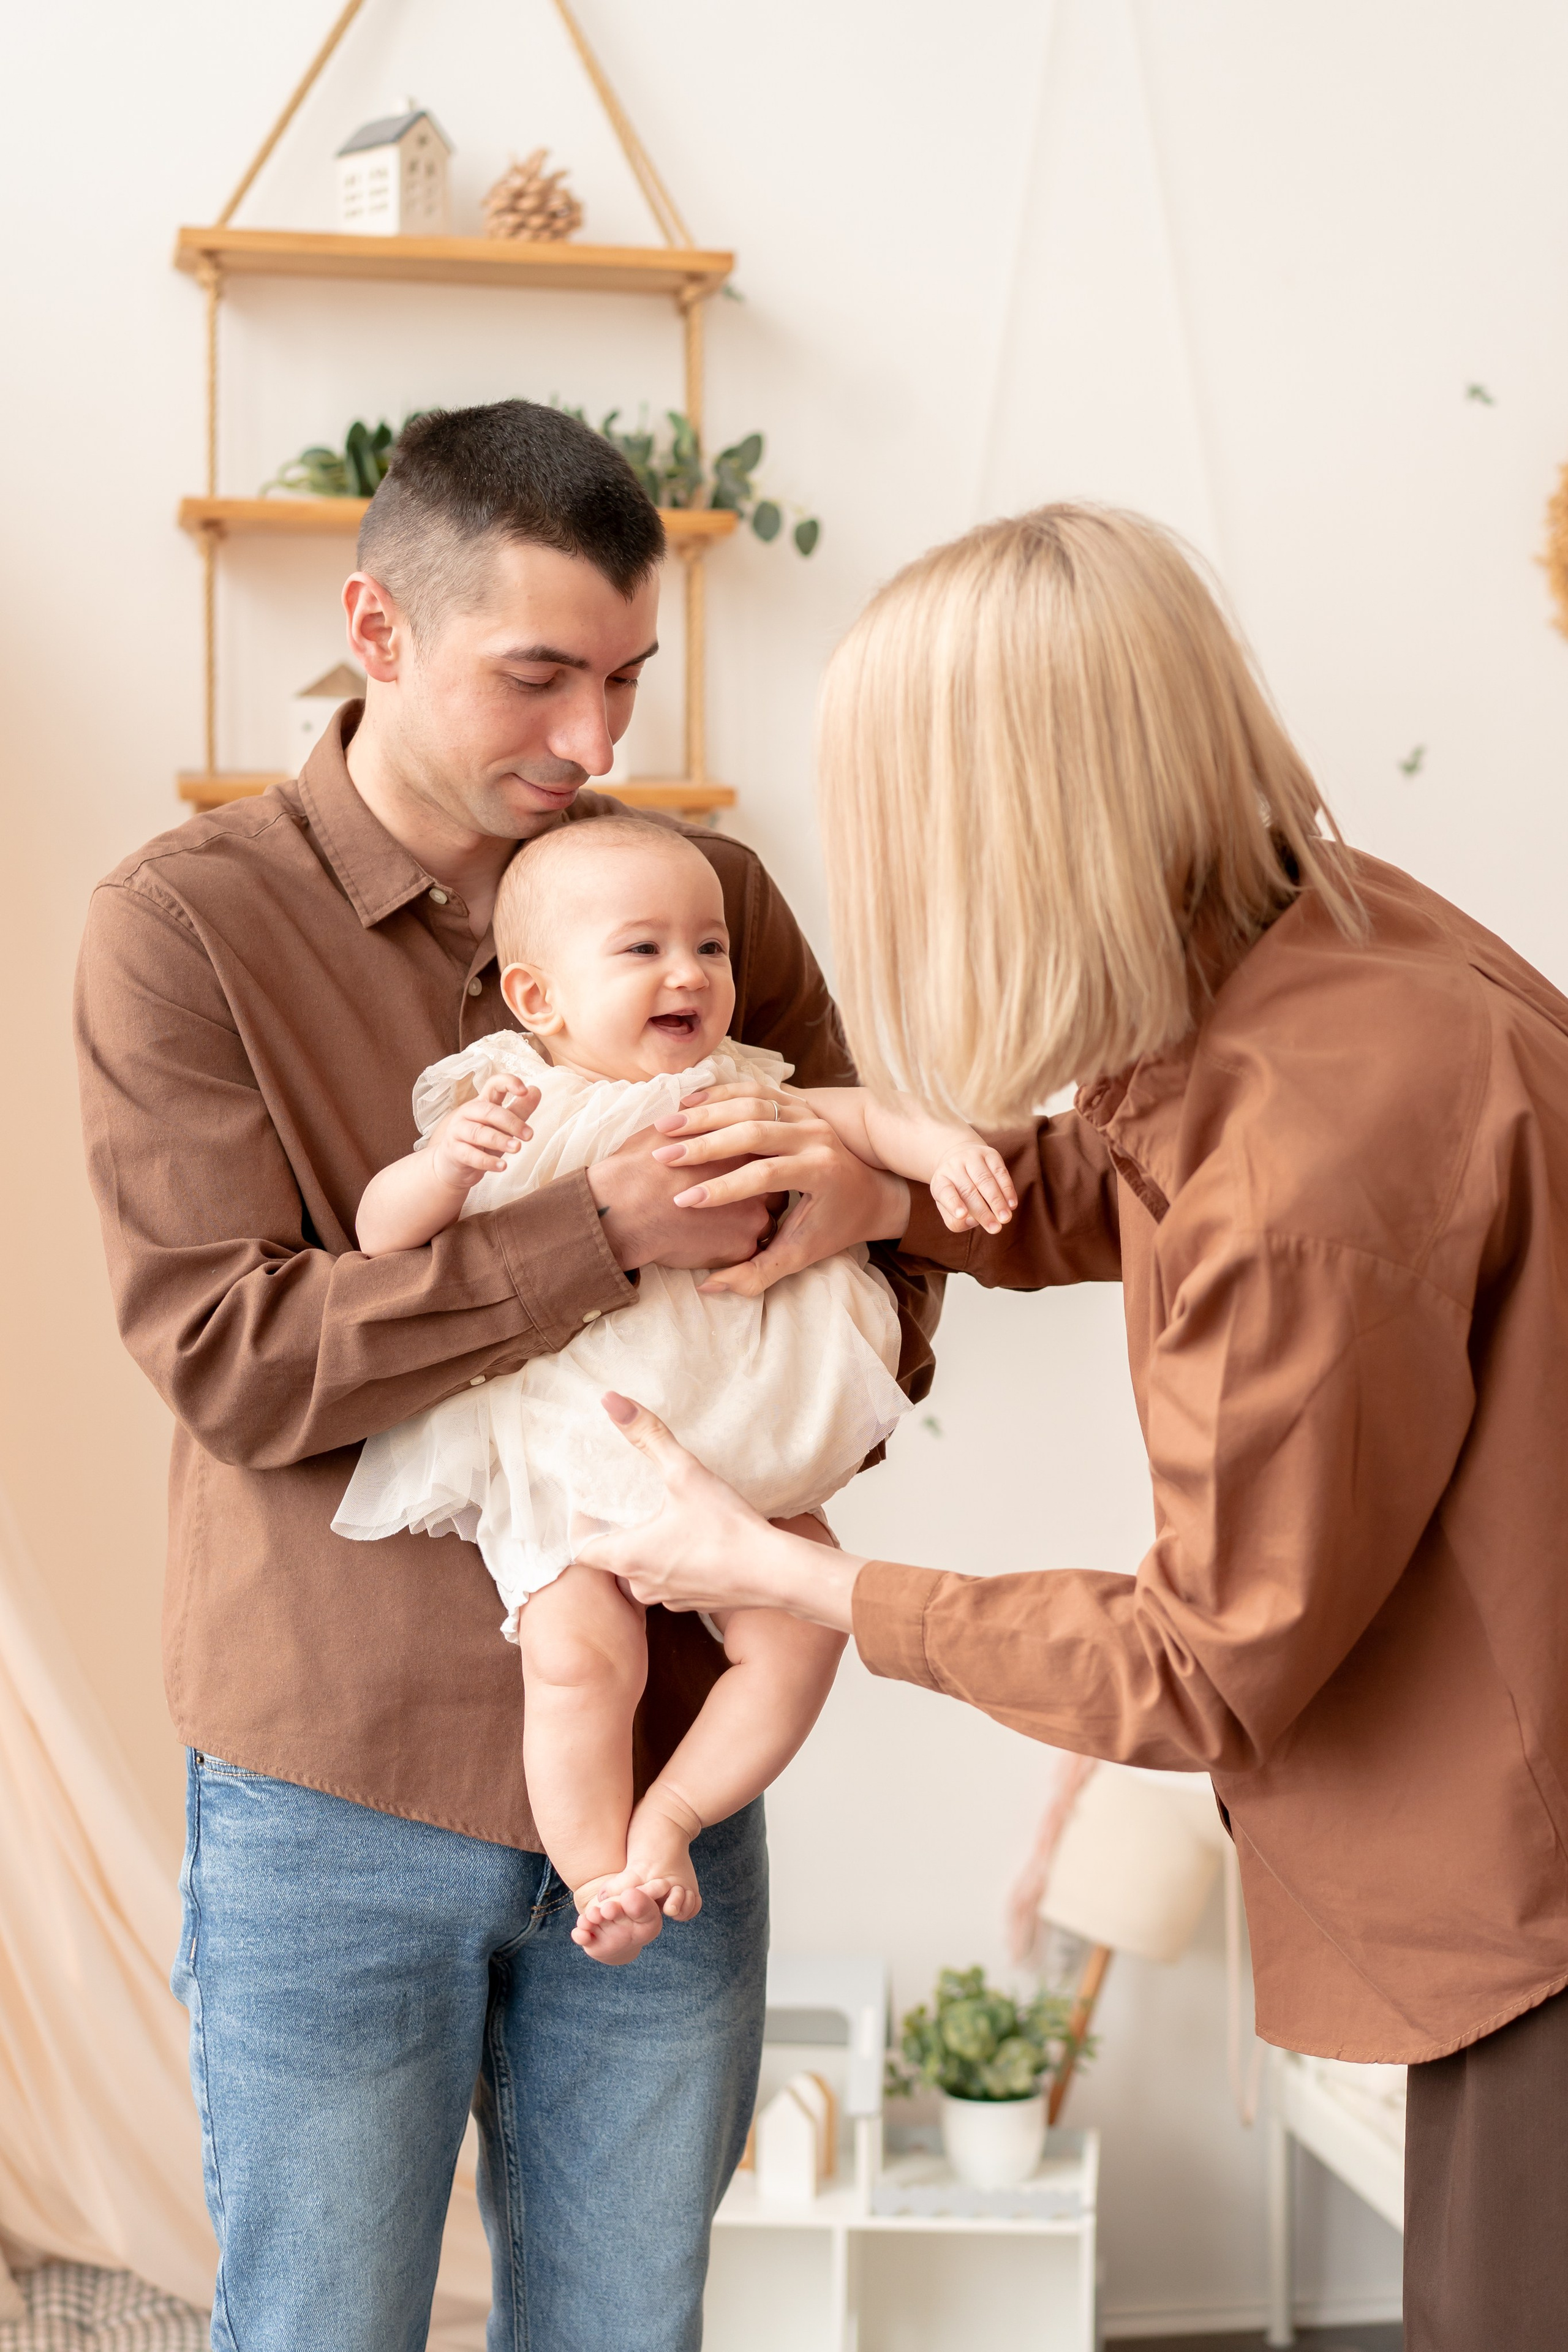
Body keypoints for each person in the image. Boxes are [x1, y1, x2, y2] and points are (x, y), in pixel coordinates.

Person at [577, 505, 1568, 2352]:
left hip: (1535, 1895)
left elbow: (1204, 1664)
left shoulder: (1299, 1170)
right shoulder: (1339, 937)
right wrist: (894, 1195)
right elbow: (1165, 1166)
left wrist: (788, 1575)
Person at [74, 399, 938, 2352]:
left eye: (627, 679)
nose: (596, 743)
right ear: (375, 629)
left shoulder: (708, 903)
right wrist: (594, 1233)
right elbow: (231, 1358)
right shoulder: (185, 929)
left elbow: (888, 1271)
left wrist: (845, 1228)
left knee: (631, 2330)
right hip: (332, 1786)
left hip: (668, 1785)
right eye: (540, 676)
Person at [334, 813, 1015, 1964]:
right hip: (583, 1462)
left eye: (710, 947)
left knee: (804, 1638)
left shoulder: (740, 1084)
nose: (690, 973)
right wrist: (445, 1168)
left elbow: (860, 1116)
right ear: (538, 997)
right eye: (644, 949)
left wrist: (943, 1150)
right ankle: (599, 1877)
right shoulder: (515, 1099)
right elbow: (381, 1236)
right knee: (579, 1661)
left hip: (749, 1460)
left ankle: (673, 1818)